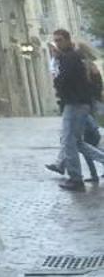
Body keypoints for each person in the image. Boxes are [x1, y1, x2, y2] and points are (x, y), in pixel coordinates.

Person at [50, 29, 104, 190]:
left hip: (75, 103)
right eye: (56, 41)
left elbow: (63, 80)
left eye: (60, 40)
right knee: (77, 142)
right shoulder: (72, 57)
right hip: (78, 103)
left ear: (67, 40)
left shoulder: (70, 58)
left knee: (68, 141)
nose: (57, 43)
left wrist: (57, 80)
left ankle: (76, 179)